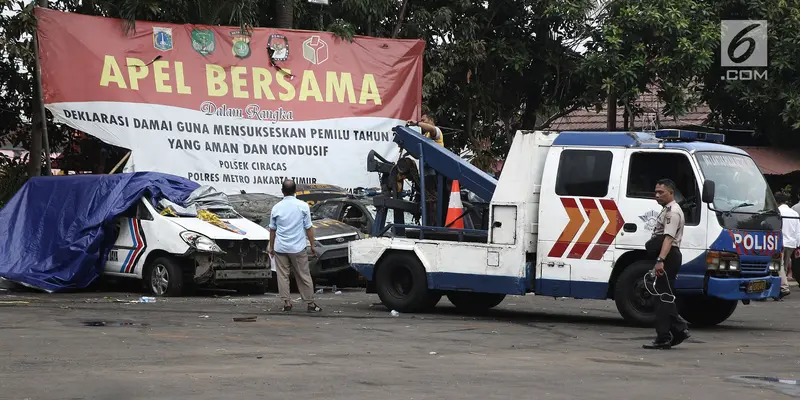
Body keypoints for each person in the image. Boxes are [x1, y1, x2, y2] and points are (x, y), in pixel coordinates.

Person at [643, 178, 690, 350]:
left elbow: (668, 239)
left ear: (671, 193)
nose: (657, 195)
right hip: (666, 255)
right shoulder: (667, 210)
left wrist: (660, 260)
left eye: (661, 192)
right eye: (656, 192)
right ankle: (671, 332)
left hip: (668, 256)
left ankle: (675, 330)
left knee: (662, 296)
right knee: (661, 296)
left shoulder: (673, 212)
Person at [268, 179, 322, 313]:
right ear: (295, 191)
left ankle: (287, 303)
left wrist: (271, 247)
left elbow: (272, 230)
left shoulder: (276, 208)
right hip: (298, 248)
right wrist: (313, 245)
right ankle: (310, 303)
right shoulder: (303, 206)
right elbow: (308, 228)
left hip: (281, 248)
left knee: (283, 276)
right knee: (303, 275)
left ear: (282, 191)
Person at [775, 192, 798, 299]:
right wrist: (798, 246)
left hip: (781, 242)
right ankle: (779, 289)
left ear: (776, 202)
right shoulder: (794, 213)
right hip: (792, 243)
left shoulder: (777, 212)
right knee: (783, 266)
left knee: (778, 265)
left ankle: (783, 287)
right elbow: (798, 231)